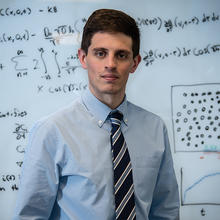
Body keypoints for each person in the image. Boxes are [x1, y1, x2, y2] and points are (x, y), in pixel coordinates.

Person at [13, 9, 179, 220]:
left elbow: (165, 211)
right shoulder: (51, 131)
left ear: (135, 63)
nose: (110, 64)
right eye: (100, 53)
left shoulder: (155, 128)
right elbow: (30, 216)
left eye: (121, 55)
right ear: (83, 58)